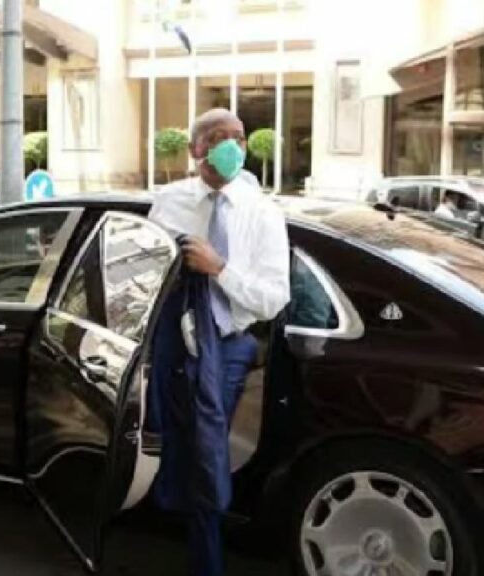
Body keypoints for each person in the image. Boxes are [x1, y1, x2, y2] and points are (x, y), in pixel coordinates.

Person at [147, 108, 290, 576]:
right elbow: (141, 275)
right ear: (195, 149)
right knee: (169, 439)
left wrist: (219, 268)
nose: (230, 145)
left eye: (238, 137)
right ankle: (163, 512)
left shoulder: (263, 213)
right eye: (216, 136)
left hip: (226, 348)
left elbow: (272, 299)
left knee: (208, 451)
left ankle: (205, 558)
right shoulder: (168, 201)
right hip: (171, 344)